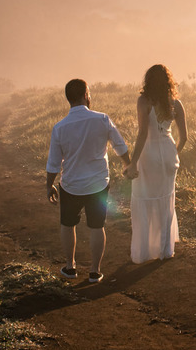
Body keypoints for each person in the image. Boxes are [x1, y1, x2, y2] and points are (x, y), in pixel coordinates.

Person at [46, 78, 132, 284]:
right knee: (97, 226)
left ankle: (70, 267)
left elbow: (54, 162)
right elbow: (120, 146)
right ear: (86, 95)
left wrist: (49, 185)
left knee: (68, 225)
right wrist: (128, 165)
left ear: (68, 98)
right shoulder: (102, 119)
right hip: (98, 184)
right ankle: (95, 271)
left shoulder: (60, 127)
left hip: (71, 185)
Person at [126, 63, 187, 263]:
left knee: (144, 198)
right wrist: (173, 154)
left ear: (148, 81)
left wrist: (133, 162)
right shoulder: (176, 103)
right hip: (169, 153)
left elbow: (143, 133)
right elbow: (184, 137)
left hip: (148, 154)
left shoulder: (144, 101)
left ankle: (144, 251)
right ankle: (165, 249)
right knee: (165, 199)